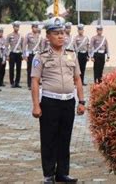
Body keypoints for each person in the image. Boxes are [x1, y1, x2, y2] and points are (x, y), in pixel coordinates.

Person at [31, 17, 86, 183]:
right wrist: (36, 105)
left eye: (62, 33)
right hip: (50, 102)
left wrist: (81, 101)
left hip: (68, 102)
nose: (61, 36)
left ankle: (62, 173)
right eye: (56, 33)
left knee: (65, 138)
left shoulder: (71, 55)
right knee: (49, 139)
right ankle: (48, 174)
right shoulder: (41, 57)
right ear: (48, 36)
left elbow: (78, 79)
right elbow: (34, 81)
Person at [23, 21, 43, 90]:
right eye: (34, 27)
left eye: (37, 27)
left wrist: (42, 55)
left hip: (37, 55)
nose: (35, 28)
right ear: (32, 28)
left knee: (38, 69)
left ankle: (37, 83)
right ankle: (29, 84)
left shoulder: (40, 36)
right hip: (31, 54)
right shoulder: (28, 35)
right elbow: (24, 45)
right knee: (29, 69)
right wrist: (24, 55)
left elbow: (41, 46)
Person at [6, 21, 24, 88]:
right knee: (11, 68)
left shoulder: (21, 36)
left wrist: (23, 54)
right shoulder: (9, 35)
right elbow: (6, 46)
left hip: (19, 53)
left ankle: (17, 82)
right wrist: (7, 55)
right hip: (12, 53)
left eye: (18, 26)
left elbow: (23, 46)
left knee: (19, 68)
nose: (17, 28)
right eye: (15, 26)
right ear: (13, 27)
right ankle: (12, 82)